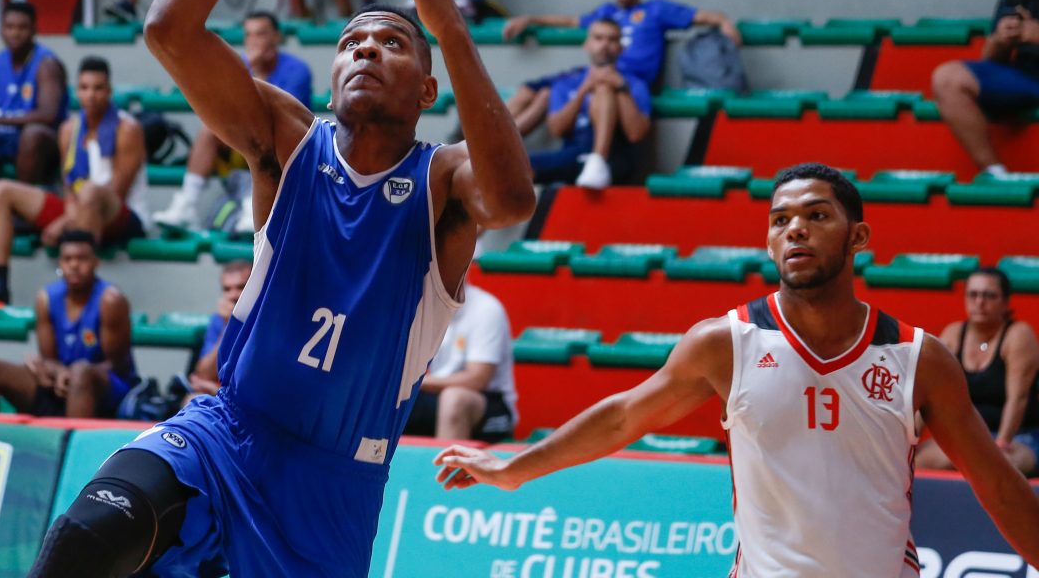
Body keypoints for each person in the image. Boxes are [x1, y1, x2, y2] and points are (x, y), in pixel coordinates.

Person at [27, 0, 534, 578]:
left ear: (428, 89)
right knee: (87, 538)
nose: (366, 49)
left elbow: (514, 200)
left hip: (331, 489)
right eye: (351, 42)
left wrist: (448, 24)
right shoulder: (289, 141)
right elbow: (169, 31)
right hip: (224, 431)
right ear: (330, 78)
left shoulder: (444, 182)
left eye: (392, 42)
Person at [435, 163, 1039, 576]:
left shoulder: (917, 357)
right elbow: (624, 417)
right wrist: (514, 468)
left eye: (817, 216)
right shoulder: (726, 342)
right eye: (781, 220)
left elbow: (996, 484)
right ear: (769, 242)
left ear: (858, 237)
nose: (795, 228)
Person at [0, 56, 148, 304]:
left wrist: (64, 222)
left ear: (109, 91)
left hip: (120, 214)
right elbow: (68, 186)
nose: (91, 95)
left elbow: (117, 192)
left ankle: (82, 291)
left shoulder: (127, 129)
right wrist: (68, 217)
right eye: (84, 88)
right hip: (78, 210)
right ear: (77, 91)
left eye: (98, 88)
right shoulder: (69, 129)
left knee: (91, 192)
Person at [154, 11, 312, 228]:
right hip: (246, 142)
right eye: (249, 35)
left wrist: (252, 71)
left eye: (260, 34)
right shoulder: (240, 64)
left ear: (276, 37)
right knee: (209, 129)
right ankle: (187, 204)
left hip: (286, 148)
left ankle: (253, 207)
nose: (254, 41)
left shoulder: (298, 70)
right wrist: (249, 68)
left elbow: (276, 117)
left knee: (264, 133)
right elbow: (218, 108)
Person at [0, 229, 139, 417]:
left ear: (96, 262)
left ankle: (74, 436)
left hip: (107, 390)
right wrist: (53, 369)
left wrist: (73, 373)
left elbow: (117, 364)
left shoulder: (110, 301)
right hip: (60, 382)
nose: (74, 265)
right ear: (60, 263)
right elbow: (49, 359)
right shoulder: (46, 298)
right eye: (68, 259)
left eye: (82, 259)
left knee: (80, 372)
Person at [503, 0, 741, 80]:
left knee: (599, 84)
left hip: (631, 80)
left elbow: (706, 16)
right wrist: (530, 18)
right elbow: (571, 21)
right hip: (602, 73)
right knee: (536, 91)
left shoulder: (657, 9)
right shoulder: (606, 12)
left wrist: (723, 21)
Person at [933, 0, 1039, 176]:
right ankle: (995, 174)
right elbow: (990, 59)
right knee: (947, 78)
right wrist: (1001, 38)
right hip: (1025, 76)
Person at [916, 268, 1039, 475]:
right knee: (915, 461)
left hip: (1019, 437)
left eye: (989, 295)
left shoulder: (1018, 335)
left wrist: (1001, 444)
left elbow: (1018, 399)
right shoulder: (953, 334)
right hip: (969, 438)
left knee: (999, 467)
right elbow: (927, 396)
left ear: (1005, 302)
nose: (980, 302)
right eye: (973, 294)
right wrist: (910, 442)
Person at [527, 19, 650, 189]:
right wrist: (584, 90)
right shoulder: (567, 82)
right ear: (587, 44)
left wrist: (621, 88)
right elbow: (557, 130)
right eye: (598, 38)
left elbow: (636, 134)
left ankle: (598, 160)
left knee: (604, 90)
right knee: (518, 167)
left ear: (620, 48)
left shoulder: (634, 84)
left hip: (615, 156)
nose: (605, 45)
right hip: (574, 152)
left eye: (612, 39)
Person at [0, 1, 68, 184]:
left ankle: (24, 198)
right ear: (1, 30)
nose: (15, 33)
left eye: (22, 28)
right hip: (0, 137)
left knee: (32, 134)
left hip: (41, 140)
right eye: (9, 27)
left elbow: (48, 115)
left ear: (34, 30)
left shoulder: (46, 64)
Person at [404, 283, 517, 441]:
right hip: (436, 396)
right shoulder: (418, 306)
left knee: (454, 399)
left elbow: (477, 379)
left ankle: (447, 458)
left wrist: (412, 381)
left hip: (491, 405)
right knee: (387, 397)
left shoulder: (486, 309)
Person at [186, 260, 253, 398]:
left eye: (241, 287)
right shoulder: (219, 320)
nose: (233, 295)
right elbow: (204, 375)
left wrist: (214, 389)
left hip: (253, 397)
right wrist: (229, 327)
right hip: (223, 395)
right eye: (227, 289)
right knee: (192, 399)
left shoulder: (266, 318)